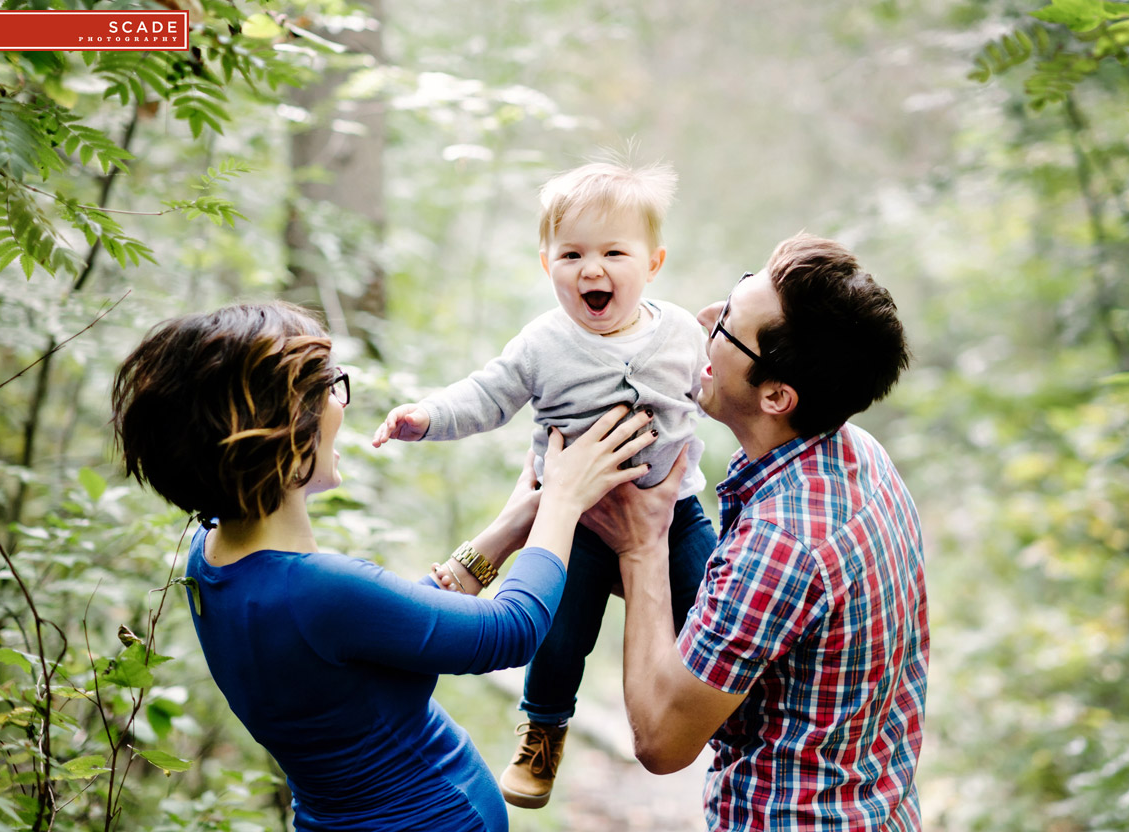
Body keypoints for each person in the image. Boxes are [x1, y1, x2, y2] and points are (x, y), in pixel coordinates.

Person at [109, 301, 657, 832]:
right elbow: (508, 633)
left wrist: (509, 529)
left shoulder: (210, 560)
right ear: (281, 429)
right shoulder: (316, 589)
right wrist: (563, 501)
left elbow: (373, 639)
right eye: (329, 388)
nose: (340, 403)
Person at [370, 161, 716, 808]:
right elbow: (487, 393)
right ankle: (544, 730)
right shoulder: (544, 343)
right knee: (558, 632)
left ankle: (723, 714)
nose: (592, 269)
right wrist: (427, 418)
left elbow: (717, 388)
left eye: (614, 252)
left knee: (715, 597)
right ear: (546, 263)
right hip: (577, 522)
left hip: (674, 511)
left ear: (654, 262)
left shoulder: (682, 334)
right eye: (572, 253)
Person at [582, 234, 929, 830]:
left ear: (776, 395)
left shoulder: (784, 543)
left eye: (726, 326)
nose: (700, 321)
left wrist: (639, 548)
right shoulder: (859, 456)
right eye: (727, 296)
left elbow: (662, 741)